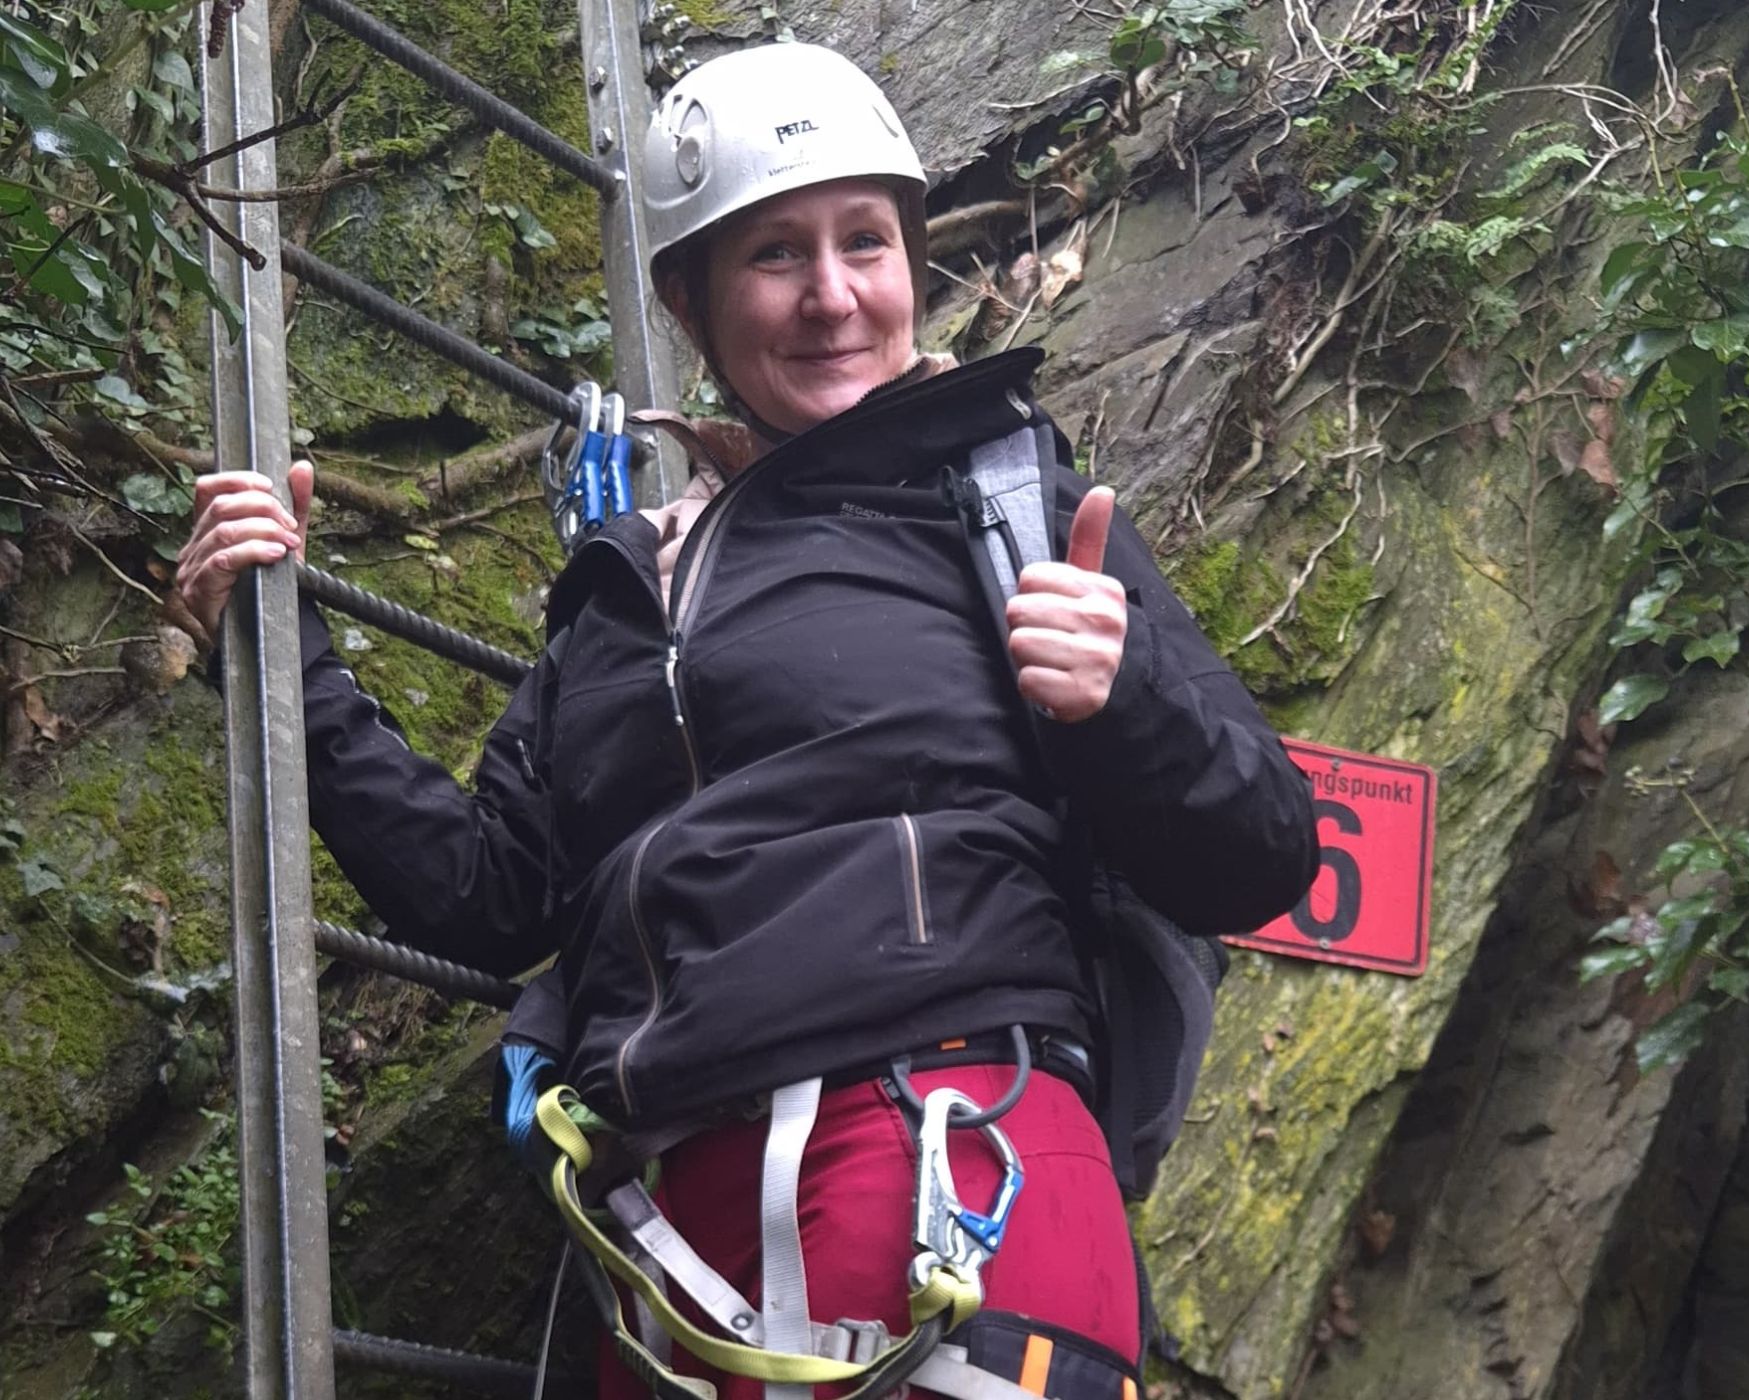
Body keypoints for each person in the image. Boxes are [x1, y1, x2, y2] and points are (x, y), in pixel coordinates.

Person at [176, 42, 1318, 1399]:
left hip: (954, 1162)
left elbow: (1263, 852)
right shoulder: (618, 587)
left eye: (867, 245)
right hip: (669, 1246)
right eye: (777, 254)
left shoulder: (1006, 506)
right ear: (691, 299)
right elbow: (482, 896)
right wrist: (277, 645)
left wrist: (1118, 706)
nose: (835, 296)